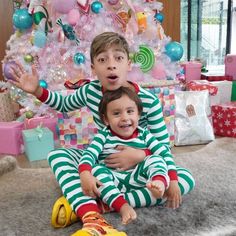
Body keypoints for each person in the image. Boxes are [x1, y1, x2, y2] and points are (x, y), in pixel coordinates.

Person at [10, 31, 195, 236]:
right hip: (104, 164)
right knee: (57, 155)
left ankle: (98, 204)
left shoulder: (148, 101)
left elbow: (162, 144)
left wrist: (142, 155)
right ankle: (93, 215)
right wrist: (37, 91)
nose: (111, 65)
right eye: (102, 59)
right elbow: (63, 104)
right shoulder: (90, 91)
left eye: (118, 58)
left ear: (128, 65)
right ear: (93, 68)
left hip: (140, 168)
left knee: (184, 179)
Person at [79, 86, 170, 227]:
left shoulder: (144, 134)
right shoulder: (104, 136)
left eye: (130, 112)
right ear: (106, 119)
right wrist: (85, 173)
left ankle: (158, 184)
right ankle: (122, 205)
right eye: (116, 113)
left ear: (138, 115)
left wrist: (170, 178)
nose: (125, 118)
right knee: (96, 170)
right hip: (113, 180)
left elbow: (163, 152)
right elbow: (89, 154)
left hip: (140, 179)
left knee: (156, 159)